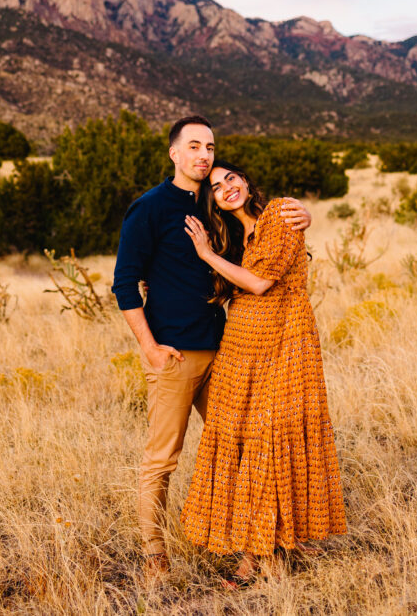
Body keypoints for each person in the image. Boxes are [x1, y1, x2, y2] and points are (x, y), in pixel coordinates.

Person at [111, 116, 313, 580]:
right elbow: (124, 283)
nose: (205, 156)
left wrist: (302, 215)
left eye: (212, 148)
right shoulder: (149, 208)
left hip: (226, 349)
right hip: (176, 354)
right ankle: (154, 558)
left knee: (242, 449)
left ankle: (256, 551)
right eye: (195, 147)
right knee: (163, 458)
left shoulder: (212, 204)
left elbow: (262, 236)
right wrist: (150, 348)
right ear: (175, 154)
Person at [180, 159, 346, 585]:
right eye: (216, 187)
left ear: (247, 182)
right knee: (248, 444)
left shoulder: (279, 216)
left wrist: (205, 254)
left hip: (285, 344)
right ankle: (272, 540)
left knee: (273, 441)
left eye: (231, 178)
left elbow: (258, 284)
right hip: (241, 348)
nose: (226, 187)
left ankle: (259, 560)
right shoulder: (234, 236)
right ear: (213, 201)